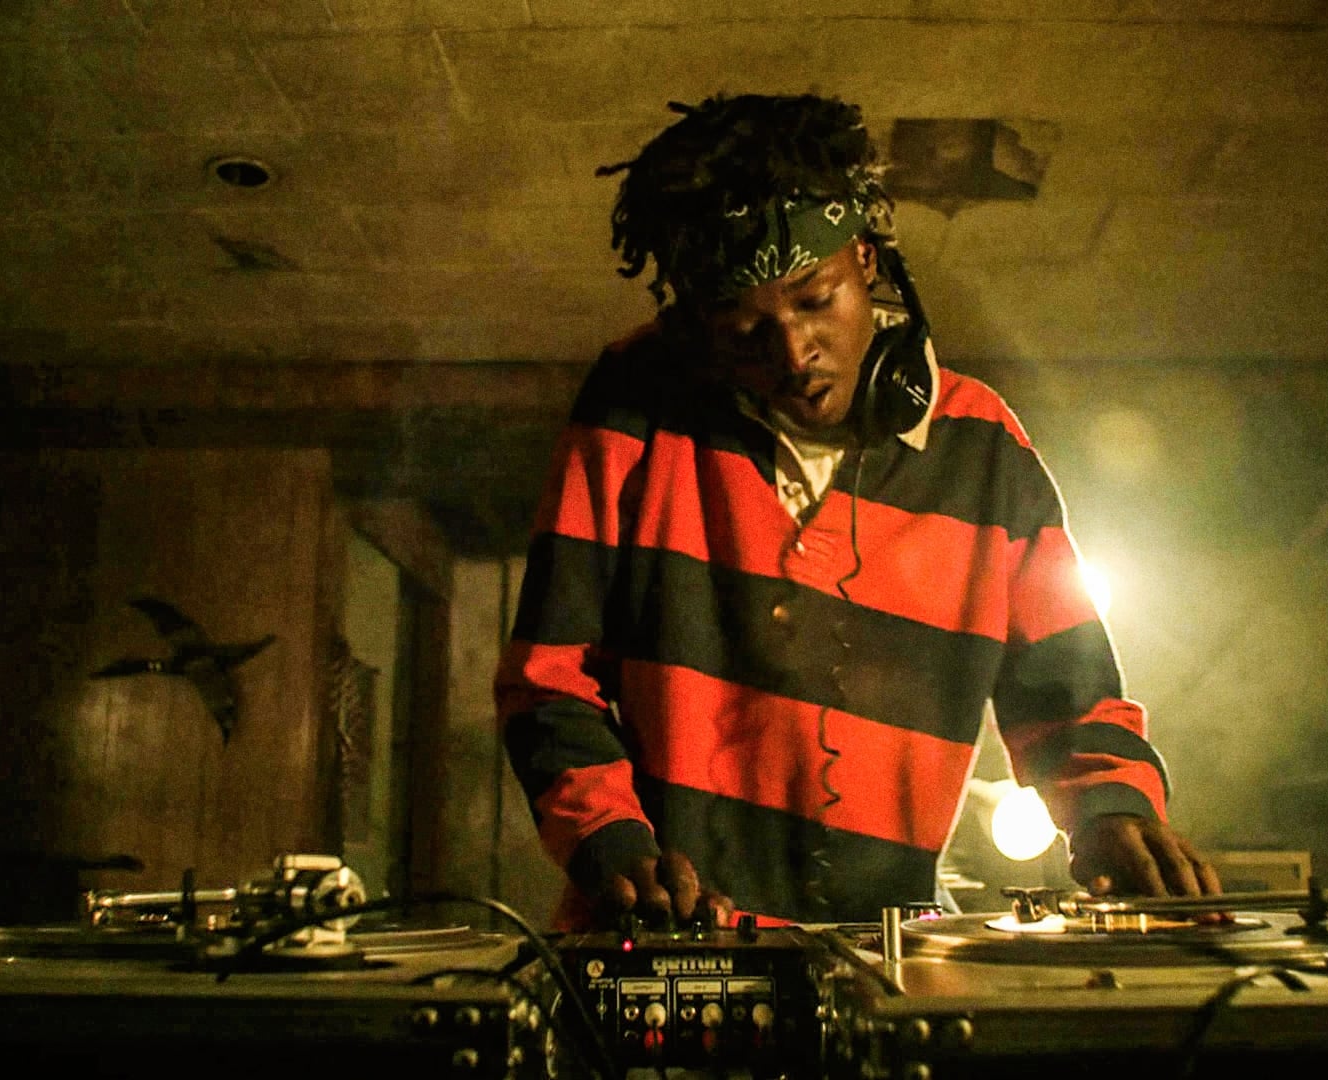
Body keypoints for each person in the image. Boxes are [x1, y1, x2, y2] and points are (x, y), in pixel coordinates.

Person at [495, 92, 1218, 931]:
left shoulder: (983, 448)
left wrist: (1111, 809)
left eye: (815, 300)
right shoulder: (635, 408)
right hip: (664, 937)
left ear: (866, 260)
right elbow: (548, 679)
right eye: (744, 329)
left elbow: (1068, 690)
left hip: (888, 949)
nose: (793, 353)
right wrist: (611, 843)